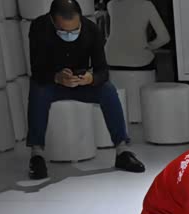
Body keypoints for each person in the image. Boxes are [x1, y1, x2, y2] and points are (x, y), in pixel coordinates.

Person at [27, 0, 145, 180]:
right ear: (52, 21)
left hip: (81, 82)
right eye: (63, 31)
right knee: (38, 90)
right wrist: (56, 77)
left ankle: (122, 150)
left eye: (75, 30)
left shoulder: (91, 29)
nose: (69, 35)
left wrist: (91, 78)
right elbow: (37, 70)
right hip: (51, 82)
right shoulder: (39, 28)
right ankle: (37, 154)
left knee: (108, 90)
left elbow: (103, 70)